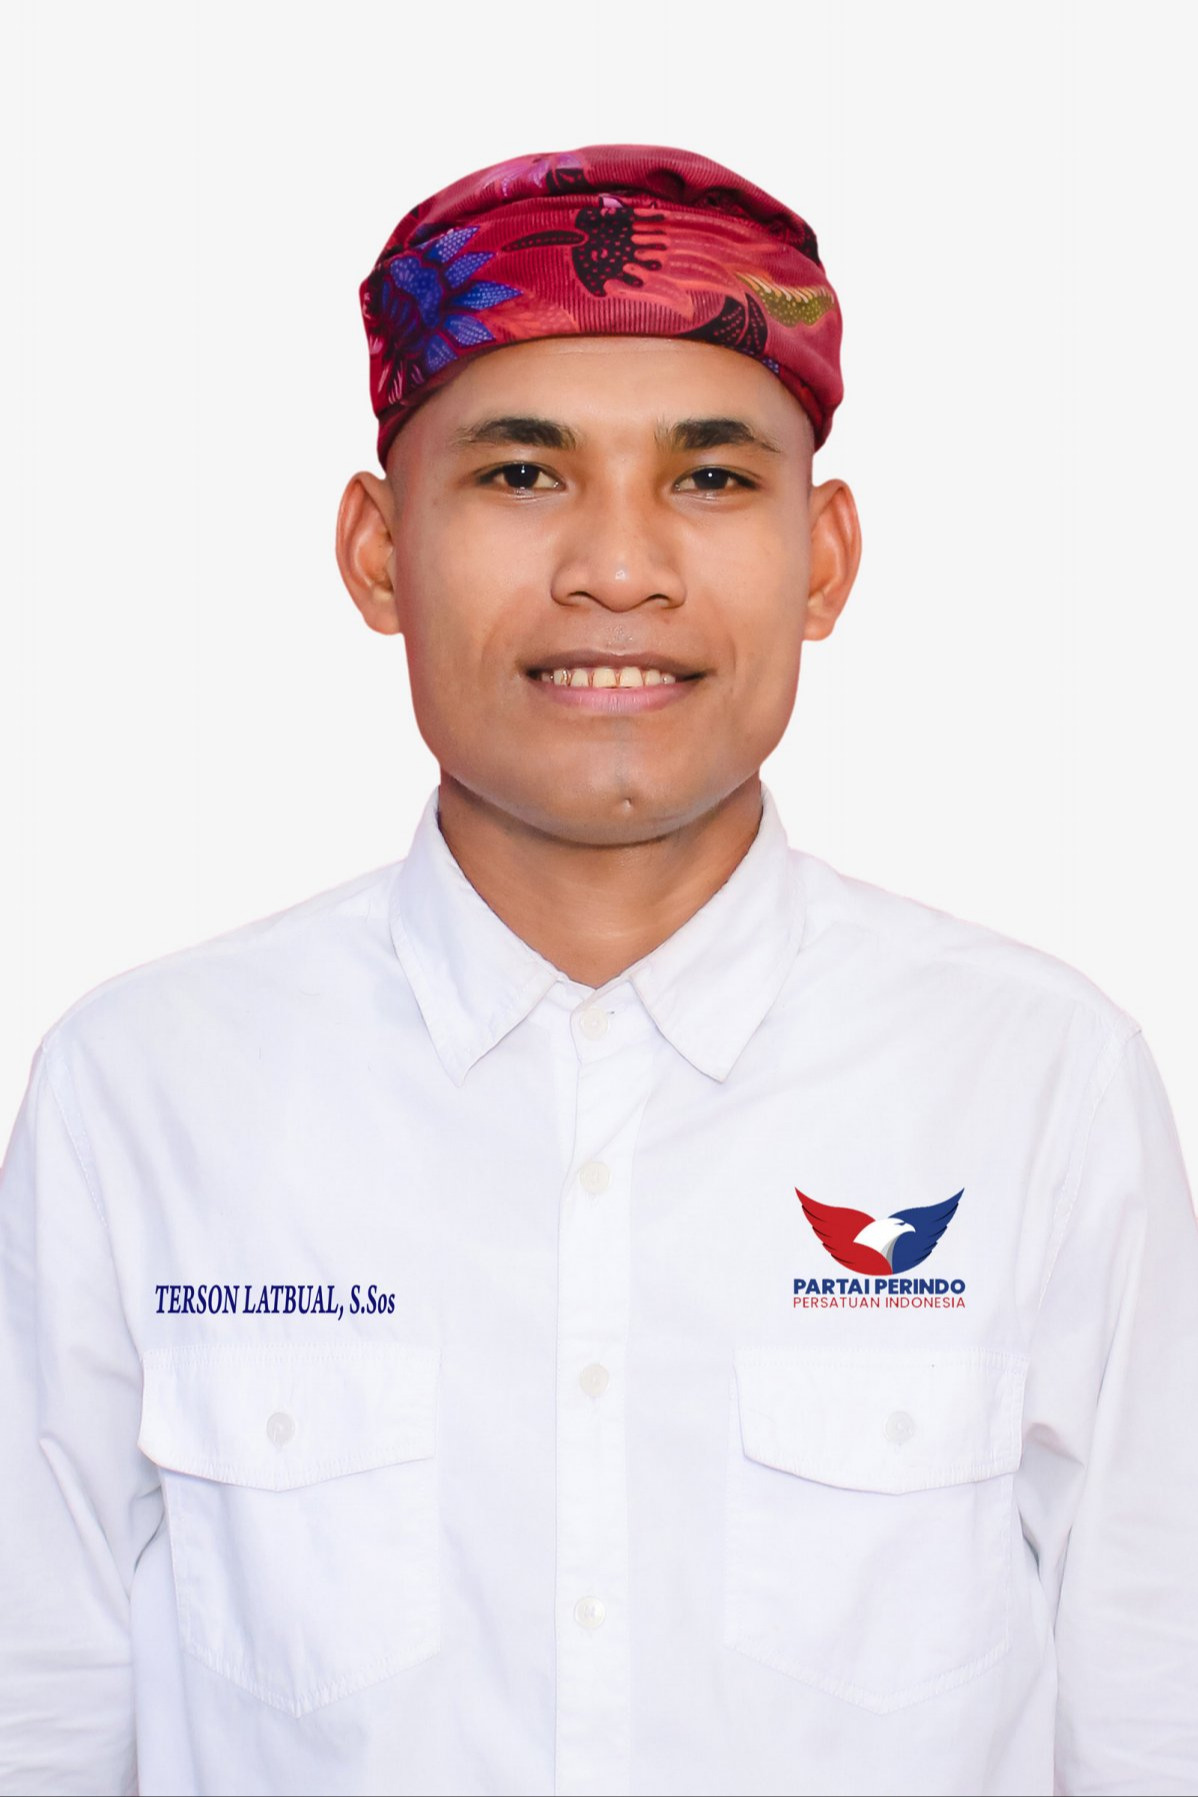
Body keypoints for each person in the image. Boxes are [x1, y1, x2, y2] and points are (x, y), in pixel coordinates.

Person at [1, 143, 1195, 1797]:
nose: (619, 568)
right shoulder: (143, 1095)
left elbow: (1149, 1714)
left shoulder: (1035, 1084)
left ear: (824, 558)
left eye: (709, 479)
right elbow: (42, 1714)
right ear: (376, 551)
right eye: (520, 473)